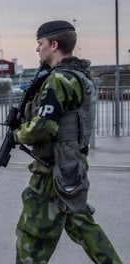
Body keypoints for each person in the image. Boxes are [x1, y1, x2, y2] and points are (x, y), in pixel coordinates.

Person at [13, 20, 122, 263]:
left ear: (54, 45)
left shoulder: (58, 80)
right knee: (82, 224)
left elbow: (44, 126)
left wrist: (17, 134)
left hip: (53, 170)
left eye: (40, 44)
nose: (38, 49)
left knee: (32, 237)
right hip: (72, 164)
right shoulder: (80, 76)